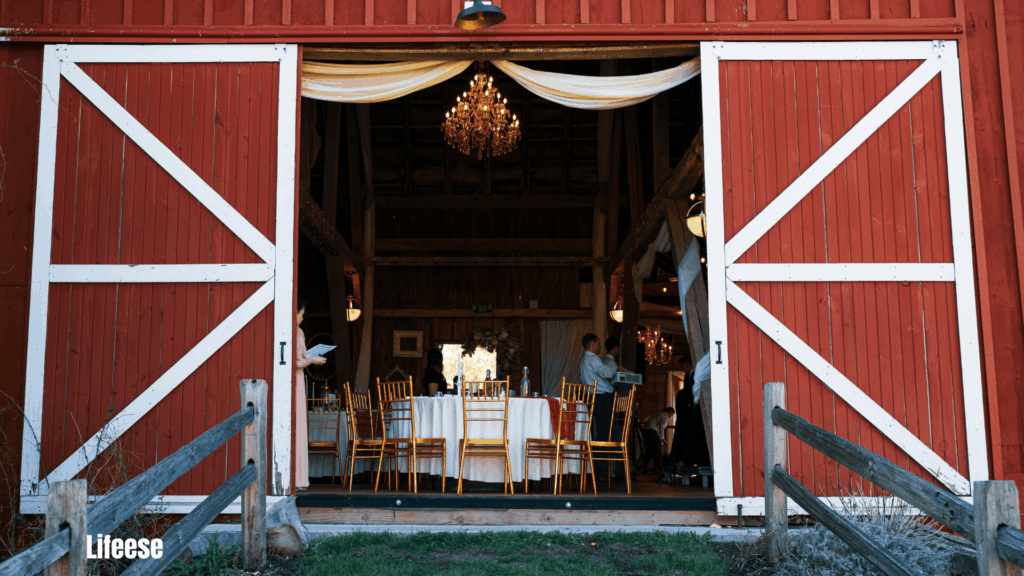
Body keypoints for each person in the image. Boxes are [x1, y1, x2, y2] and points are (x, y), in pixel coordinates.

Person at [579, 333, 623, 478]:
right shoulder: (593, 359)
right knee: (604, 435)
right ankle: (601, 472)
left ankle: (596, 470)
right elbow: (608, 373)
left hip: (591, 399)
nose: (599, 347)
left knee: (596, 434)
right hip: (603, 399)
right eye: (597, 344)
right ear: (593, 344)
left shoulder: (583, 361)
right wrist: (617, 368)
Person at [294, 295, 326, 491]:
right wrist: (311, 361)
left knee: (299, 427)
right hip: (294, 379)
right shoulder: (291, 332)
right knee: (295, 425)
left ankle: (299, 477)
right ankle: (295, 478)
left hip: (298, 381)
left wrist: (312, 357)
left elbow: (302, 356)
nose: (302, 318)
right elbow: (295, 362)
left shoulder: (299, 332)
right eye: (301, 314)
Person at [641, 406, 676, 472]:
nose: (671, 416)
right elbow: (661, 428)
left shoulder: (660, 414)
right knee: (658, 449)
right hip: (651, 430)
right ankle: (660, 469)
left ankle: (646, 467)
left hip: (646, 430)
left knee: (651, 449)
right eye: (672, 414)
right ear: (670, 413)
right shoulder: (665, 416)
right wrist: (663, 440)